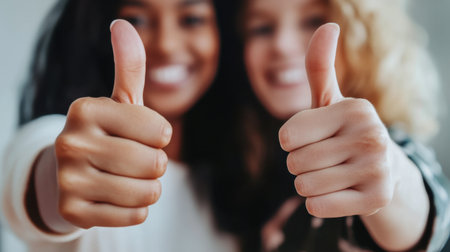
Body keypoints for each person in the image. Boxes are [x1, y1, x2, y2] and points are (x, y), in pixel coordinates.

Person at [1, 0, 245, 251]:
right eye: (136, 20)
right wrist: (57, 179)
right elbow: (33, 171)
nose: (166, 44)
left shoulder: (241, 184)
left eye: (191, 19)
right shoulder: (69, 138)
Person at [239, 0, 450, 251]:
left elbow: (421, 211)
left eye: (313, 21)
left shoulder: (387, 144)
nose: (281, 44)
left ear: (366, 39)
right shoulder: (250, 166)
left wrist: (389, 174)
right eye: (262, 28)